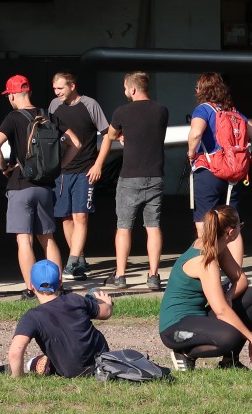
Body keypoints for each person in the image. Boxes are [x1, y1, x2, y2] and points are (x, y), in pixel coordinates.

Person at [0, 74, 81, 299]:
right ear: (29, 92)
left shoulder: (13, 118)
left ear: (12, 95)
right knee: (47, 238)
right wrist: (59, 166)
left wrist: (4, 168)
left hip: (20, 185)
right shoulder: (48, 115)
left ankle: (32, 289)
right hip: (45, 187)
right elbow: (76, 143)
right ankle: (57, 286)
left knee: (24, 240)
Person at [158, 205, 252, 371]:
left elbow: (241, 279)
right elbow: (221, 311)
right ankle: (185, 354)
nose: (241, 228)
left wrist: (229, 296)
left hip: (198, 318)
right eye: (240, 225)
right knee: (231, 337)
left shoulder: (218, 246)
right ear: (231, 232)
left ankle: (229, 361)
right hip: (174, 327)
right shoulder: (206, 260)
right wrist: (251, 338)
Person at [186, 72, 252, 265]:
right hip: (233, 177)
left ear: (202, 90)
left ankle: (208, 268)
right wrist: (241, 155)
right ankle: (236, 272)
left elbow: (196, 134)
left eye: (197, 87)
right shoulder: (235, 112)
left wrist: (191, 153)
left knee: (204, 224)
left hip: (208, 173)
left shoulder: (203, 110)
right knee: (232, 226)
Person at [101, 71, 169, 291]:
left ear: (132, 89)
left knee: (124, 227)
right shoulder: (162, 110)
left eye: (125, 88)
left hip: (130, 176)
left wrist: (123, 136)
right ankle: (154, 276)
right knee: (153, 226)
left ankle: (120, 276)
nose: (124, 92)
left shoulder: (122, 112)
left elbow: (111, 134)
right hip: (155, 175)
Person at [48, 71, 109, 281]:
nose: (57, 92)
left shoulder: (90, 105)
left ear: (72, 86)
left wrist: (98, 164)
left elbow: (107, 135)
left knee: (81, 216)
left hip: (85, 170)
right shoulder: (54, 106)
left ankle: (72, 261)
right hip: (62, 172)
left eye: (60, 88)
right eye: (54, 89)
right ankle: (79, 259)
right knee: (66, 217)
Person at [7, 259, 112, 377]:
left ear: (31, 286)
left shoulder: (32, 317)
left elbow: (16, 352)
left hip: (70, 371)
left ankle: (42, 363)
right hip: (102, 362)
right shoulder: (75, 299)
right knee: (93, 293)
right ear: (60, 283)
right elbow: (106, 313)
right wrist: (106, 303)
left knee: (32, 363)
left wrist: (17, 377)